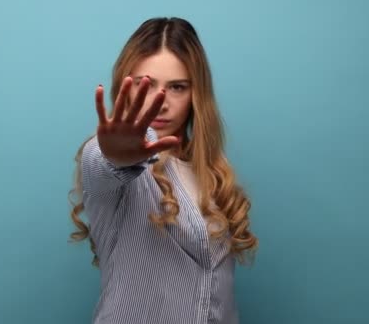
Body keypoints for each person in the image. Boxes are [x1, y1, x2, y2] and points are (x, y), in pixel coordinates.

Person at [69, 17, 257, 324]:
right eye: (146, 85)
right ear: (125, 87)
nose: (161, 102)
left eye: (177, 87)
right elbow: (101, 162)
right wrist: (116, 154)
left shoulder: (211, 175)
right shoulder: (116, 166)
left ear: (196, 95)